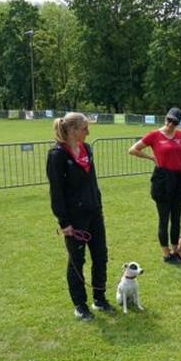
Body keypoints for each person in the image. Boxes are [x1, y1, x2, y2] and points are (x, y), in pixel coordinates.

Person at [46, 112, 113, 321]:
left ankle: (99, 298)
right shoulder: (57, 155)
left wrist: (99, 206)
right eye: (84, 128)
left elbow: (92, 182)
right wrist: (64, 222)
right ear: (73, 130)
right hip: (74, 218)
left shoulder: (87, 149)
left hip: (94, 212)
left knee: (101, 255)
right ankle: (80, 305)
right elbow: (56, 191)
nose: (88, 132)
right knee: (77, 260)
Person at [129, 107, 181, 264]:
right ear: (165, 118)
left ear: (178, 123)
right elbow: (132, 150)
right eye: (168, 120)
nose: (170, 124)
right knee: (164, 218)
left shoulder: (180, 135)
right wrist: (151, 157)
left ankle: (175, 251)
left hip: (179, 179)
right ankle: (166, 254)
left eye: (174, 122)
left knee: (176, 218)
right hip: (162, 180)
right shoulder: (154, 135)